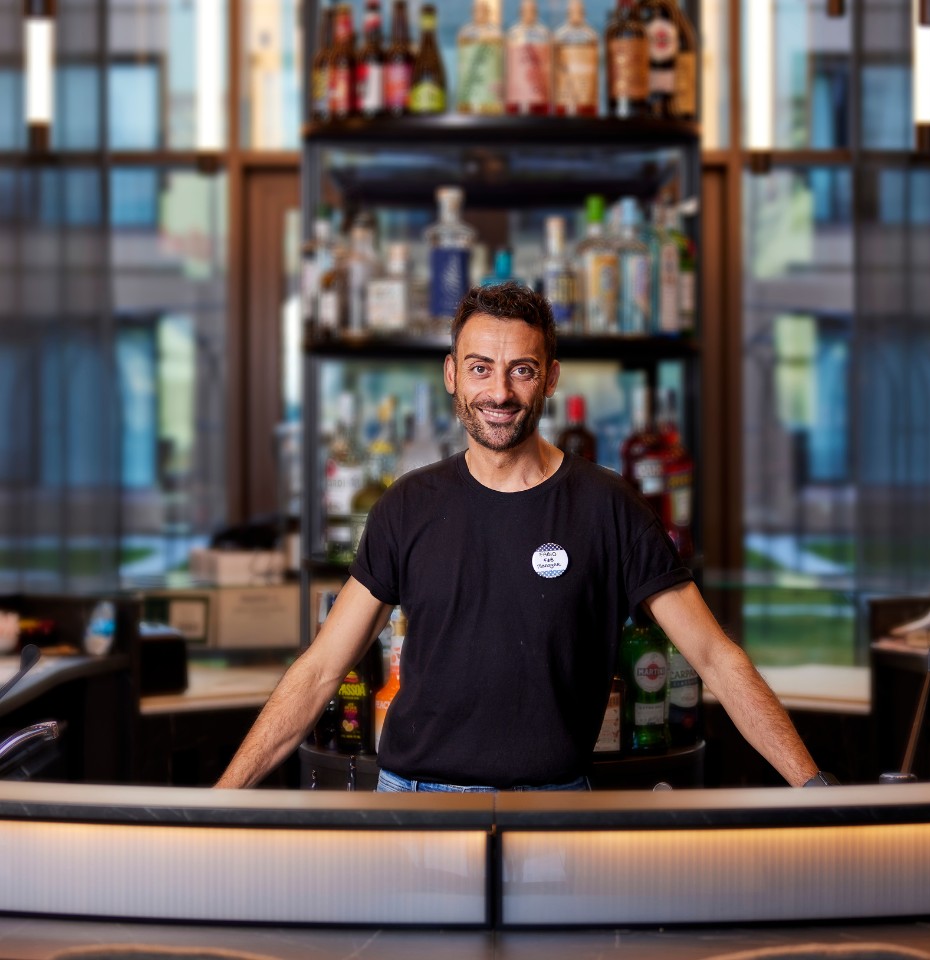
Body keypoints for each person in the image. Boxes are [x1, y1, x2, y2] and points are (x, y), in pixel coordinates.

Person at [216, 282, 834, 792]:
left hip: (555, 803)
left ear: (551, 378)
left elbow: (715, 660)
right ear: (452, 375)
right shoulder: (407, 505)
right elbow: (323, 667)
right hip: (413, 799)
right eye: (481, 369)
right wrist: (223, 799)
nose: (500, 393)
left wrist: (814, 788)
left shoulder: (610, 507)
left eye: (522, 370)